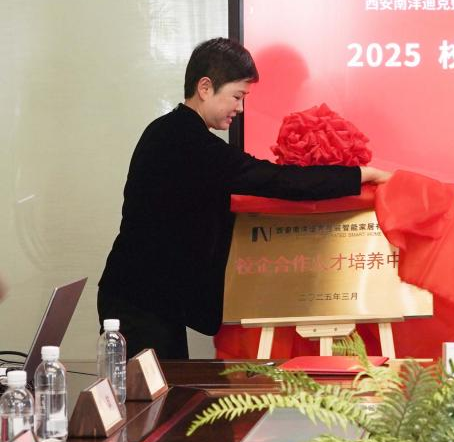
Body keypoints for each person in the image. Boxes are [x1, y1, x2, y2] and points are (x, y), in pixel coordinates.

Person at [98, 38, 391, 359]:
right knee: (144, 390)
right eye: (237, 96)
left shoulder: (170, 131)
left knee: (164, 385)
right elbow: (278, 181)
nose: (240, 108)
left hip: (148, 297)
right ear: (205, 87)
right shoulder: (188, 142)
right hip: (138, 302)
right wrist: (362, 175)